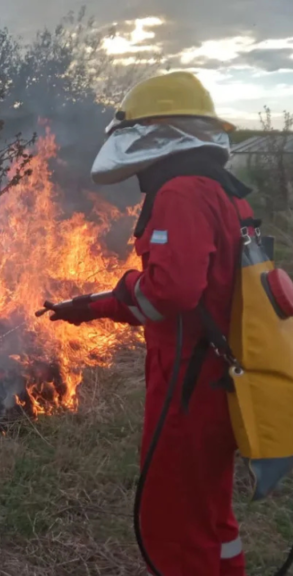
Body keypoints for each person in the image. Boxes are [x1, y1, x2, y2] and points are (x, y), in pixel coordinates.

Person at [46, 71, 248, 575]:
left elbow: (172, 293)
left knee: (174, 517)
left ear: (156, 134)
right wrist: (91, 307)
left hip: (190, 379)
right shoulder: (221, 189)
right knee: (209, 511)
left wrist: (126, 287)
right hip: (219, 373)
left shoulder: (181, 192)